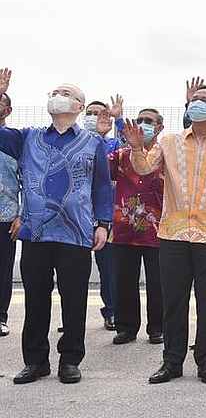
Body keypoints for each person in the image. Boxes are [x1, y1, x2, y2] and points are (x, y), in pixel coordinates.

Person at [125, 81, 206, 386]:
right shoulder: (169, 141)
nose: (197, 103)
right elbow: (143, 169)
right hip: (173, 235)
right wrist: (137, 147)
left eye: (204, 100)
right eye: (194, 99)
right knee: (174, 301)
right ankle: (172, 362)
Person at [0, 69, 113, 384]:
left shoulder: (92, 143)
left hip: (76, 232)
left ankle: (70, 359)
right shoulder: (28, 137)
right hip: (36, 231)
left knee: (74, 298)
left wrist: (103, 224)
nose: (57, 95)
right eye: (54, 91)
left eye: (65, 92)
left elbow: (102, 187)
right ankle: (35, 361)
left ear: (79, 105)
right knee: (36, 298)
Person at [107, 107, 165, 346]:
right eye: (139, 120)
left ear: (160, 127)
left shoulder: (166, 156)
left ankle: (157, 328)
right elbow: (101, 170)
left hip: (158, 231)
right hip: (124, 230)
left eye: (148, 121)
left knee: (158, 282)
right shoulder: (121, 155)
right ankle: (126, 327)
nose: (142, 124)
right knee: (124, 281)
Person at [85, 96, 125, 332]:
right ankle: (73, 316)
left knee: (109, 267)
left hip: (105, 217)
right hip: (76, 216)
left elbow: (131, 147)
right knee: (73, 269)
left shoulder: (113, 146)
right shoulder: (75, 141)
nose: (95, 117)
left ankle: (112, 311)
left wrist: (118, 119)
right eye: (90, 113)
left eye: (101, 113)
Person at [0, 89, 18, 338]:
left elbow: (26, 179)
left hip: (6, 216)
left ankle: (1, 316)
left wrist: (20, 215)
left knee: (3, 270)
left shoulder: (14, 140)